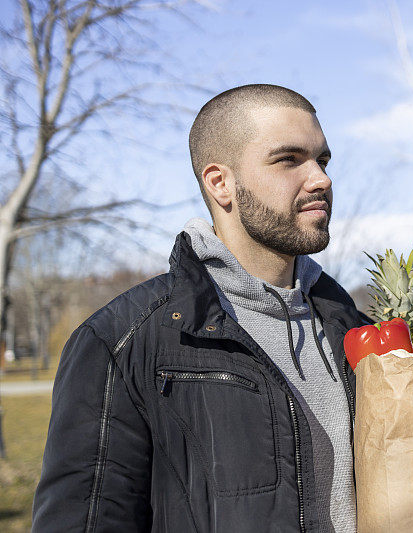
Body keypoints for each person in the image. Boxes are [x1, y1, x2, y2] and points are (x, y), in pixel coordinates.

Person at [31, 84, 370, 533]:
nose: (321, 179)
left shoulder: (356, 331)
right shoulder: (121, 342)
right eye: (289, 160)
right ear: (220, 183)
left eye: (322, 160)